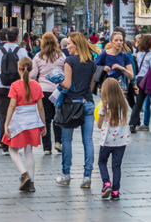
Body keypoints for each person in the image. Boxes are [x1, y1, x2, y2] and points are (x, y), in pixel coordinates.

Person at [56, 32, 99, 188]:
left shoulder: (70, 60)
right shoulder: (91, 62)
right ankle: (87, 177)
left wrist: (57, 81)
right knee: (88, 140)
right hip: (87, 103)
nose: (66, 47)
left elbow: (67, 84)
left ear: (76, 44)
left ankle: (66, 175)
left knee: (66, 140)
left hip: (71, 104)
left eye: (68, 44)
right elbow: (91, 86)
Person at [2, 57, 45, 193]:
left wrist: (6, 123)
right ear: (31, 69)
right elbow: (41, 107)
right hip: (33, 120)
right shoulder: (37, 85)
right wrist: (43, 124)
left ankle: (24, 173)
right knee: (29, 151)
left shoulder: (15, 85)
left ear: (18, 69)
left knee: (12, 150)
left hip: (19, 120)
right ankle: (31, 182)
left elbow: (12, 106)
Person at [0, 27, 28, 155]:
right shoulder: (21, 51)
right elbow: (26, 69)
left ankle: (5, 146)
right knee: (18, 115)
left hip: (1, 87)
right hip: (17, 87)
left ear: (5, 37)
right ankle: (16, 143)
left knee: (3, 115)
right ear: (17, 38)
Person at [30, 32, 65, 155]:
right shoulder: (61, 56)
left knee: (45, 119)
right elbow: (65, 73)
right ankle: (58, 142)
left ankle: (46, 148)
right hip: (58, 91)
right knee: (58, 117)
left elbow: (33, 75)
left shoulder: (38, 56)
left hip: (43, 90)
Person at [97, 78, 132, 200]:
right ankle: (116, 192)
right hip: (121, 141)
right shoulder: (124, 103)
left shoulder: (104, 105)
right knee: (116, 166)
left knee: (102, 162)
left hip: (107, 140)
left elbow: (99, 124)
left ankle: (106, 184)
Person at [128, 35, 151, 133]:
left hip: (140, 79)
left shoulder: (139, 53)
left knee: (138, 104)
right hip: (149, 81)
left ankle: (132, 123)